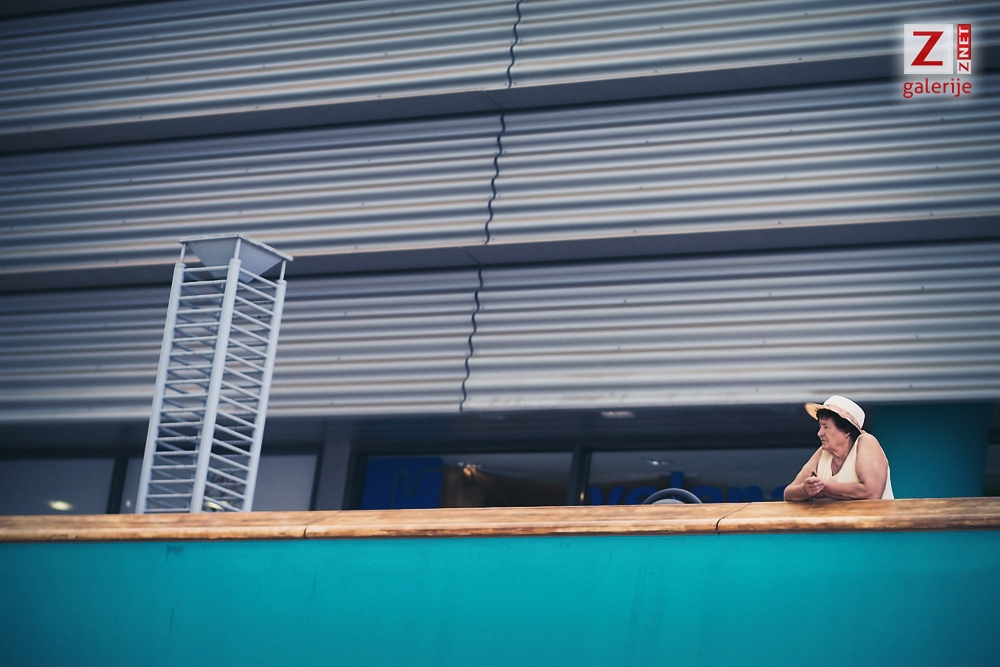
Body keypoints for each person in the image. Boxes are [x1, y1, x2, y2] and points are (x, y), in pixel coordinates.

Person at [784, 395, 893, 502]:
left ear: (847, 431)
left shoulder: (866, 441)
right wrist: (805, 490)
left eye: (826, 427)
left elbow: (872, 493)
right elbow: (788, 493)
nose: (820, 433)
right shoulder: (823, 452)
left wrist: (825, 488)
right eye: (820, 427)